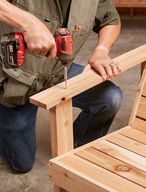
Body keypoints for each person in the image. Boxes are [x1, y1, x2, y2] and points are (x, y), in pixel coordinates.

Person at [0, 0, 122, 173]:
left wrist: (102, 50)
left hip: (57, 72)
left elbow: (111, 20)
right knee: (22, 164)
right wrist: (28, 23)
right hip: (11, 83)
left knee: (109, 98)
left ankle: (77, 148)